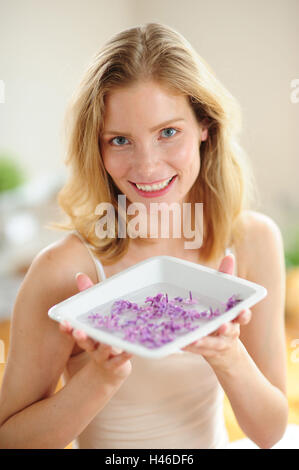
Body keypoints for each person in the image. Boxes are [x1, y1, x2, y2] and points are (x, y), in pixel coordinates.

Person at [0, 23, 288, 449]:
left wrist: (228, 353)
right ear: (95, 148)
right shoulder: (63, 271)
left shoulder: (253, 241)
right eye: (120, 140)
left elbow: (270, 432)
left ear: (205, 126)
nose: (147, 167)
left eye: (168, 132)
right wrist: (101, 377)